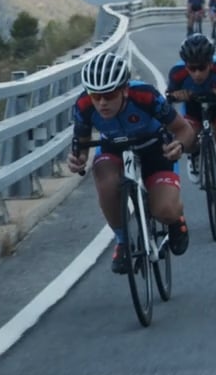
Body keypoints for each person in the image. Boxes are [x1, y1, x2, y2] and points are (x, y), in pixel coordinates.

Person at [68, 51, 194, 272]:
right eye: (96, 96)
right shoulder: (84, 105)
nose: (102, 103)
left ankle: (176, 219)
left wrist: (180, 145)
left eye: (109, 94)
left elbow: (183, 129)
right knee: (106, 184)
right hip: (113, 149)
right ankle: (123, 241)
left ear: (125, 89)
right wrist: (77, 159)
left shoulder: (146, 96)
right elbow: (82, 143)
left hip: (154, 148)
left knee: (164, 210)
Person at [166, 33, 216, 213]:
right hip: (193, 109)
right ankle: (194, 155)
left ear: (211, 63)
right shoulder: (176, 73)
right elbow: (168, 97)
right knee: (186, 138)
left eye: (202, 68)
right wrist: (176, 96)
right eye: (191, 68)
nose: (197, 73)